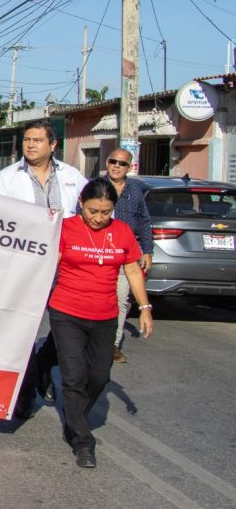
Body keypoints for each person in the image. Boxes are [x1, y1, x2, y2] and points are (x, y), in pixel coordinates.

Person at [49, 178, 154, 469]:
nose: (98, 218)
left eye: (105, 212)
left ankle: (74, 418)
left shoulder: (121, 232)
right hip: (66, 311)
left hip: (105, 315)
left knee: (99, 376)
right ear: (81, 203)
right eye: (93, 211)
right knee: (73, 377)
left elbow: (132, 269)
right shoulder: (66, 228)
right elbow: (48, 265)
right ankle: (82, 440)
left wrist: (145, 308)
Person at [0, 119, 87, 418]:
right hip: (23, 267)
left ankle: (45, 364)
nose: (31, 145)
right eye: (27, 140)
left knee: (68, 329)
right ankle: (24, 392)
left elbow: (87, 217)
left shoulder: (73, 177)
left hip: (66, 268)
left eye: (38, 140)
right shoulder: (7, 179)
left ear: (53, 145)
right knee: (22, 331)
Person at [103, 148, 153, 363]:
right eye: (113, 161)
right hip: (100, 252)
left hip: (126, 253)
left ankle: (112, 345)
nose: (116, 166)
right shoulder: (96, 186)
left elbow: (144, 221)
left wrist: (148, 251)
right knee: (101, 297)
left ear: (129, 167)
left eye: (122, 163)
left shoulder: (135, 190)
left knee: (121, 298)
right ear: (106, 162)